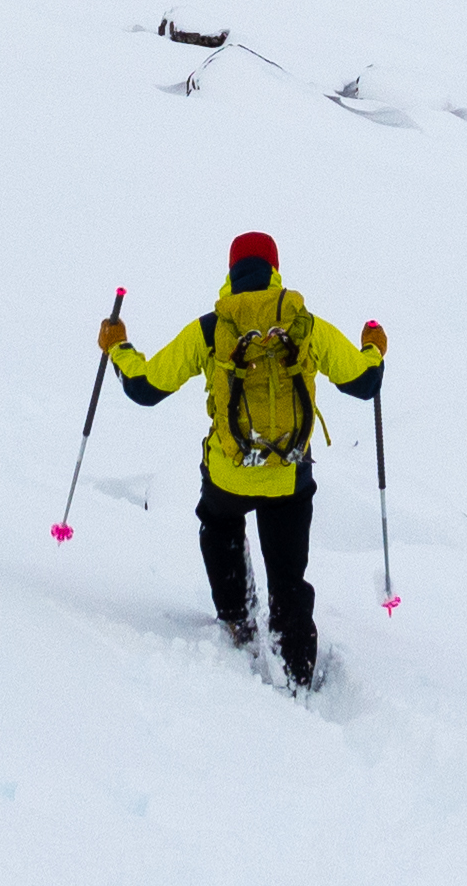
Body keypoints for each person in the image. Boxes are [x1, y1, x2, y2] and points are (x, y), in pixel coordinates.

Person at [103, 235, 387, 683]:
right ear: (275, 268)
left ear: (231, 271)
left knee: (218, 522)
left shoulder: (213, 328)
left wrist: (118, 349)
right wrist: (373, 348)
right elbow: (366, 383)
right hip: (289, 477)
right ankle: (296, 669)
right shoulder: (305, 325)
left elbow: (145, 388)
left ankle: (236, 619)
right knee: (289, 577)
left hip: (228, 475)